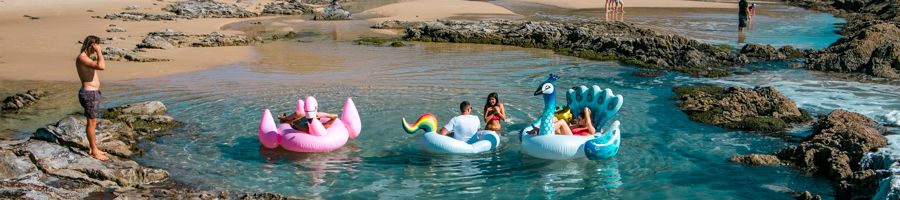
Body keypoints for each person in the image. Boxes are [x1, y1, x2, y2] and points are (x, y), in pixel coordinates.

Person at [75, 35, 108, 161]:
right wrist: (100, 52)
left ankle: (93, 147)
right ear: (91, 45)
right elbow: (102, 66)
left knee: (92, 122)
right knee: (91, 123)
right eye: (95, 46)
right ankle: (94, 151)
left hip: (92, 93)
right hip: (90, 94)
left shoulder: (85, 58)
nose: (96, 49)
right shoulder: (83, 58)